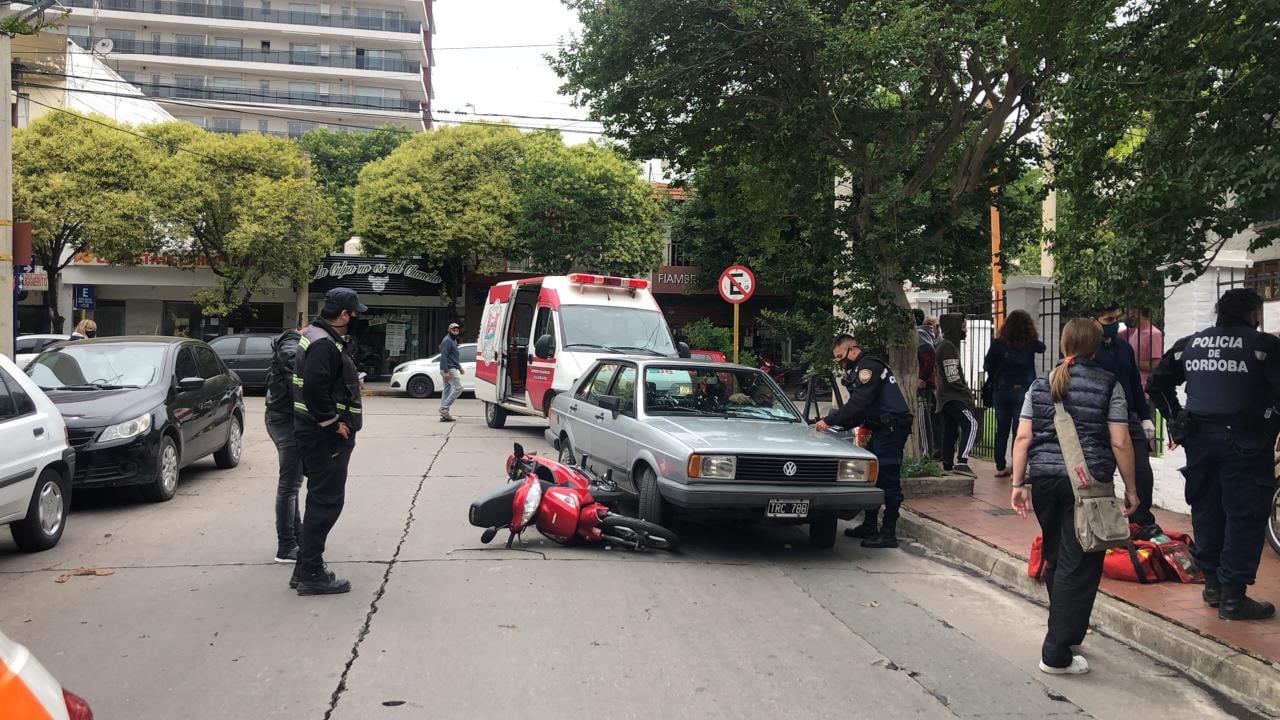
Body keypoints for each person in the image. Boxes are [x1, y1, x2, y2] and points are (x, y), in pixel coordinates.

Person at [1011, 318, 1139, 675]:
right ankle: (1056, 652)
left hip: (1045, 483)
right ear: (1096, 347)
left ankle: (1063, 627)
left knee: (1057, 554)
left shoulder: (1040, 384)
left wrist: (1018, 484)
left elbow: (1023, 439)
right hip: (1086, 487)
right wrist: (1131, 489)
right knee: (1079, 564)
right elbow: (1120, 441)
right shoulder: (1107, 384)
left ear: (1064, 344)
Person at [1147, 288, 1280, 621]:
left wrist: (1176, 420)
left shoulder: (1191, 344)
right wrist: (1270, 429)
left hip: (1200, 443)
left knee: (1207, 509)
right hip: (1246, 445)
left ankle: (1213, 586)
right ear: (1254, 314)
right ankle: (1233, 597)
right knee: (1244, 515)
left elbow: (1157, 385)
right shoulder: (1265, 346)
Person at [291, 287, 367, 596]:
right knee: (327, 502)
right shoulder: (324, 344)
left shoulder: (320, 336)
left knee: (319, 499)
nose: (357, 318)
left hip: (315, 434)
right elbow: (313, 388)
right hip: (324, 437)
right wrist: (333, 423)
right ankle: (311, 572)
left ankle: (303, 568)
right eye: (355, 313)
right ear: (344, 314)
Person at [815, 334, 913, 549]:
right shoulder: (861, 368)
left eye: (841, 357)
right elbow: (859, 412)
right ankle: (870, 525)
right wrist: (834, 425)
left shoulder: (868, 368)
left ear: (853, 350)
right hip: (882, 428)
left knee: (887, 478)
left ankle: (888, 534)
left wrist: (829, 420)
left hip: (892, 428)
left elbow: (858, 404)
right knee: (872, 476)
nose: (841, 363)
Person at [1090, 305, 1158, 528]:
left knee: (1141, 472)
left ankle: (1141, 521)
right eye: (1108, 319)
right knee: (1100, 472)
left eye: (1116, 319)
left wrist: (1145, 415)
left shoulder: (1125, 348)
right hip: (1098, 418)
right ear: (1093, 321)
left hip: (1127, 416)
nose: (1114, 325)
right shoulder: (1088, 350)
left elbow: (1134, 384)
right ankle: (1102, 523)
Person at [984, 310, 1047, 478]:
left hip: (1001, 390)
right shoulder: (1031, 343)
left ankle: (1000, 465)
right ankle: (1016, 469)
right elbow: (1043, 348)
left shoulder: (998, 343)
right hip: (1023, 390)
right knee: (1020, 431)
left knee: (1001, 429)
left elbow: (987, 366)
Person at [265, 325, 304, 564]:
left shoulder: (292, 342)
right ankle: (286, 546)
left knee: (294, 483)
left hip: (283, 417)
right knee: (289, 484)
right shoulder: (292, 344)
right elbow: (292, 364)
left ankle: (297, 538)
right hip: (285, 420)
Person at [935, 313, 977, 474]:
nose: (965, 329)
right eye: (963, 326)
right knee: (971, 424)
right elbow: (952, 376)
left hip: (946, 397)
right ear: (955, 327)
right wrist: (966, 393)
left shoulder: (946, 345)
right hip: (953, 396)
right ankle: (962, 461)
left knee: (951, 430)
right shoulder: (948, 347)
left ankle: (947, 462)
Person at [914, 310, 941, 458]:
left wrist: (922, 378)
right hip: (931, 382)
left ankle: (926, 453)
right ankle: (931, 451)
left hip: (924, 384)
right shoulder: (934, 336)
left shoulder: (920, 336)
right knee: (929, 419)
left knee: (923, 419)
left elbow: (929, 356)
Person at [1118, 309, 1164, 393]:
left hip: (1145, 391)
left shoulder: (1154, 334)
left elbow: (1156, 365)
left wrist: (1130, 362)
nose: (1125, 316)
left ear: (1135, 312)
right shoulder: (1135, 331)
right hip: (1134, 388)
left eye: (1127, 312)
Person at [438, 322, 465, 422]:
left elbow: (453, 356)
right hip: (448, 368)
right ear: (449, 330)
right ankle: (444, 408)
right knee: (459, 388)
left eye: (457, 330)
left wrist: (459, 367)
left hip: (451, 367)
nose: (456, 331)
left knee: (447, 389)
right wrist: (445, 371)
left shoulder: (453, 341)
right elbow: (444, 356)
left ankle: (444, 414)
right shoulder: (447, 341)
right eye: (454, 330)